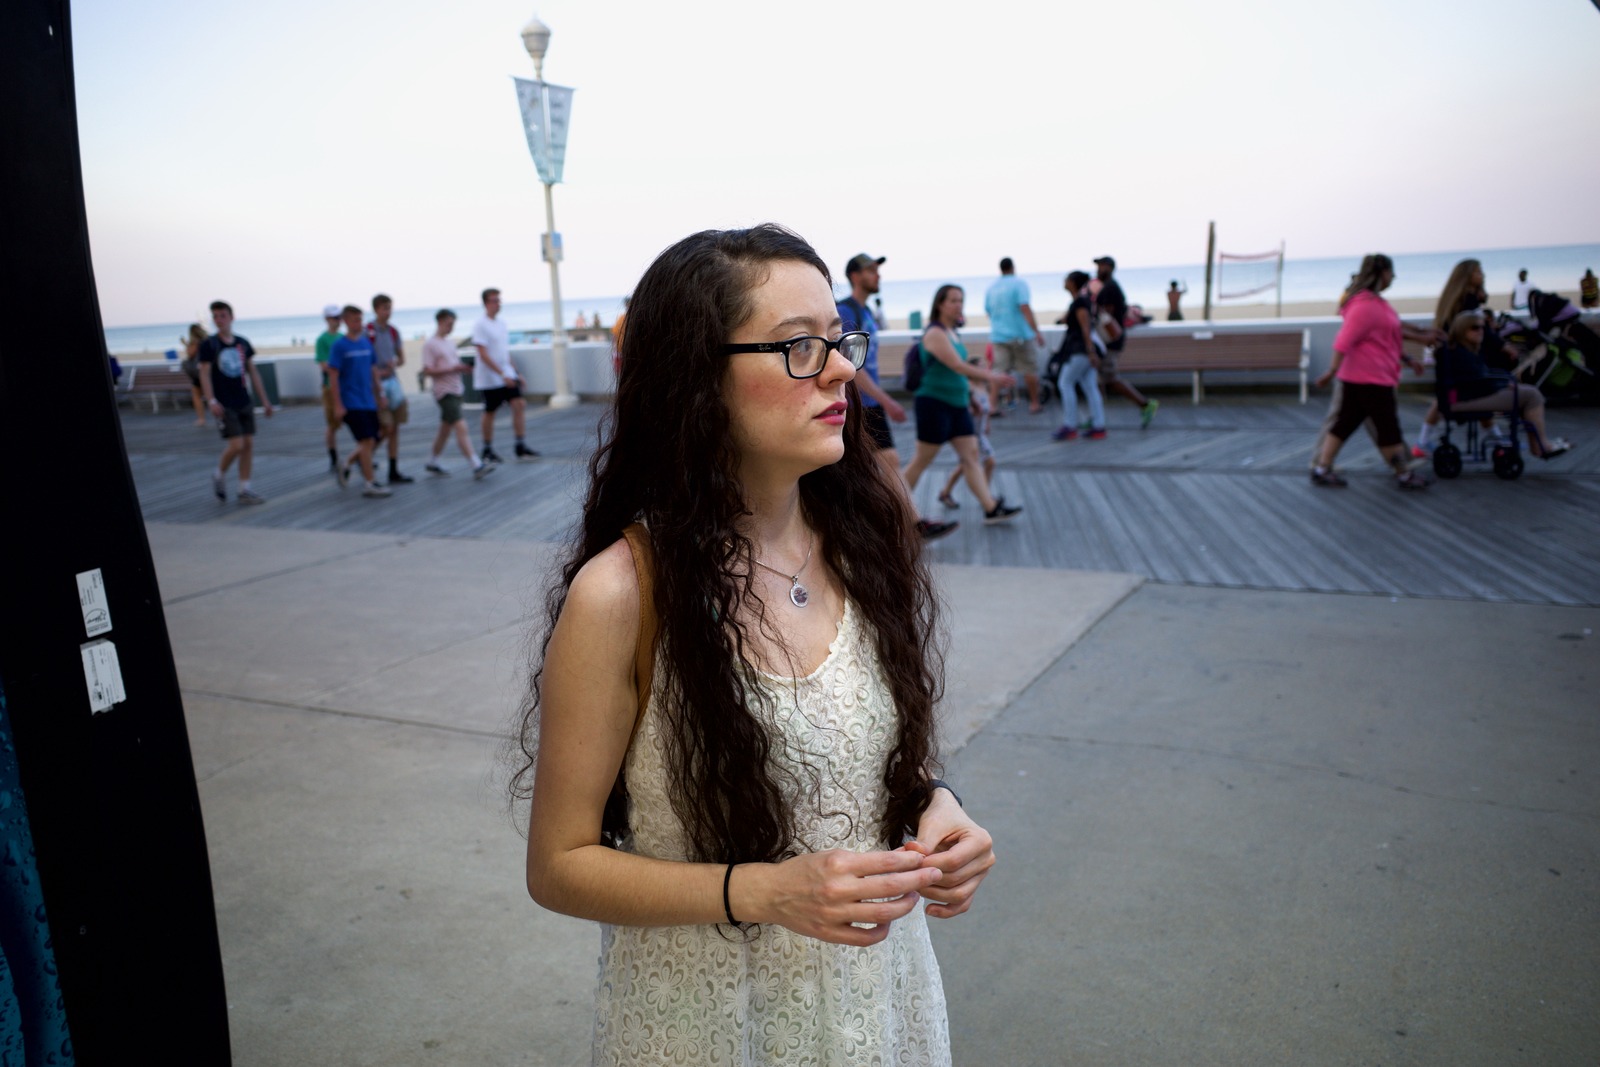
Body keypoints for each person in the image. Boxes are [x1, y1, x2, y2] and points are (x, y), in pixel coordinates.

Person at [514, 224, 993, 1065]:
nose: (842, 367)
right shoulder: (625, 592)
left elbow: (865, 758)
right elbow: (559, 864)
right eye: (797, 347)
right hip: (715, 1022)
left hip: (880, 1004)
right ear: (697, 378)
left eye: (839, 338)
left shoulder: (867, 535)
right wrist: (765, 890)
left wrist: (934, 808)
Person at [836, 252, 956, 540]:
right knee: (859, 467)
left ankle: (910, 523)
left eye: (877, 270)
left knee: (885, 462)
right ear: (855, 276)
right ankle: (893, 524)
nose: (877, 275)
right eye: (871, 271)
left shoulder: (866, 313)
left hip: (871, 403)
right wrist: (888, 400)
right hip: (855, 404)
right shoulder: (846, 312)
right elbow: (849, 364)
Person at [1310, 255, 1436, 490]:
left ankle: (1321, 469)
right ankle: (1403, 474)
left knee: (1344, 424)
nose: (1394, 277)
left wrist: (1408, 358)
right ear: (1381, 273)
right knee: (1387, 427)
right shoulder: (1363, 305)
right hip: (1369, 379)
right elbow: (1343, 341)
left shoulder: (1377, 302)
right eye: (1391, 272)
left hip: (1370, 377)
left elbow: (1388, 336)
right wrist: (1331, 371)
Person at [903, 285, 1023, 524]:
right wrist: (993, 377)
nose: (958, 305)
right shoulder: (935, 333)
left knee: (970, 455)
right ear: (940, 304)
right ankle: (896, 505)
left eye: (961, 300)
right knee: (922, 459)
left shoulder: (952, 332)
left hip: (957, 405)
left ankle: (990, 508)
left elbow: (957, 375)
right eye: (953, 301)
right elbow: (957, 366)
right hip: (934, 404)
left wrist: (970, 399)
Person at [1436, 311, 1570, 459]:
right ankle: (1540, 446)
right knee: (1532, 395)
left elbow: (1478, 380)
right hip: (1461, 400)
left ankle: (1538, 444)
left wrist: (1502, 384)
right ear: (1462, 330)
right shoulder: (1459, 353)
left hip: (1464, 397)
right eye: (1474, 328)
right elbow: (1474, 383)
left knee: (1527, 394)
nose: (1481, 331)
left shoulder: (1460, 350)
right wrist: (1503, 385)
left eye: (1482, 327)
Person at [196, 300, 273, 505]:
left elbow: (252, 372)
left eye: (223, 315)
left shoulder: (242, 343)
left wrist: (264, 400)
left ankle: (244, 488)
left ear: (231, 317)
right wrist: (211, 399)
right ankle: (219, 474)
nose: (219, 320)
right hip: (224, 402)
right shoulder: (209, 345)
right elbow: (204, 373)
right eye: (215, 316)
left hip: (243, 399)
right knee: (236, 444)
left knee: (248, 444)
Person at [326, 304, 392, 498]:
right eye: (355, 320)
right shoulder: (339, 346)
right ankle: (370, 483)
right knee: (366, 440)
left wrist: (380, 394)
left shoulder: (365, 343)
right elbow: (333, 376)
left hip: (368, 400)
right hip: (351, 401)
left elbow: (373, 371)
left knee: (379, 434)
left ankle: (347, 464)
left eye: (360, 319)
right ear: (345, 321)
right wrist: (337, 404)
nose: (359, 323)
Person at [420, 309, 494, 480]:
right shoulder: (430, 344)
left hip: (456, 389)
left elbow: (452, 364)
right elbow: (428, 370)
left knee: (445, 429)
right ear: (439, 321)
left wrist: (462, 368)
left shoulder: (450, 342)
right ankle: (476, 465)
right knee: (461, 426)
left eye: (453, 323)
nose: (451, 326)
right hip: (444, 392)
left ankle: (432, 461)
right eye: (448, 323)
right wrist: (452, 369)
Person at [470, 288, 537, 463]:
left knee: (519, 404)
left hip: (506, 373)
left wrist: (516, 373)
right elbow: (483, 354)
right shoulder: (480, 325)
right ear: (486, 303)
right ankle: (487, 449)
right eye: (494, 300)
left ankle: (520, 445)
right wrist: (501, 374)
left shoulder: (501, 324)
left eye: (499, 300)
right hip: (489, 378)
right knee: (490, 412)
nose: (498, 304)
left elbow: (503, 352)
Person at [1093, 256, 1159, 428]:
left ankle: (1144, 404)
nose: (1097, 269)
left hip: (1110, 340)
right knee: (1099, 378)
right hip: (1110, 339)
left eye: (1100, 266)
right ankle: (1097, 415)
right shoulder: (1110, 287)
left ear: (1108, 267)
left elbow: (1105, 315)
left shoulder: (1110, 288)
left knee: (1109, 377)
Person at [982, 257, 1045, 414]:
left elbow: (988, 311)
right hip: (1020, 336)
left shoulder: (992, 287)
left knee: (999, 371)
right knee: (1029, 369)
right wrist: (1036, 332)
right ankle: (1034, 403)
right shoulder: (1019, 284)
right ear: (1013, 267)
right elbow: (1024, 307)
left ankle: (992, 406)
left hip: (998, 336)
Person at [1051, 271, 1107, 441]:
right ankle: (1099, 426)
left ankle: (1070, 425)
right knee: (1089, 386)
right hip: (1083, 350)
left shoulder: (1080, 303)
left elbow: (1085, 328)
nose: (1064, 282)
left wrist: (1090, 352)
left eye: (1067, 279)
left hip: (1080, 350)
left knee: (1065, 383)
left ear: (1073, 283)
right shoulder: (1081, 301)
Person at [366, 294, 413, 485]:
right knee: (386, 427)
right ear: (376, 309)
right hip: (377, 386)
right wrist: (378, 373)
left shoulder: (393, 331)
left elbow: (402, 358)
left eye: (389, 307)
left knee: (395, 429)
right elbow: (366, 362)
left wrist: (394, 363)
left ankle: (393, 470)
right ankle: (363, 457)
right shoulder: (368, 332)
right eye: (384, 308)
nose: (388, 311)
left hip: (393, 383)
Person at [314, 304, 343, 471]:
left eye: (339, 317)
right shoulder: (322, 340)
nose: (337, 321)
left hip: (345, 386)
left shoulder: (342, 337)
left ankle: (363, 455)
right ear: (327, 319)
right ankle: (333, 457)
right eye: (334, 317)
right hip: (330, 387)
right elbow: (324, 365)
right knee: (332, 424)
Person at [180, 323, 208, 426]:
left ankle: (201, 419)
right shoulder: (207, 340)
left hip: (198, 372)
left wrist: (185, 345)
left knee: (196, 395)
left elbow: (190, 353)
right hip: (208, 371)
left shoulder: (195, 342)